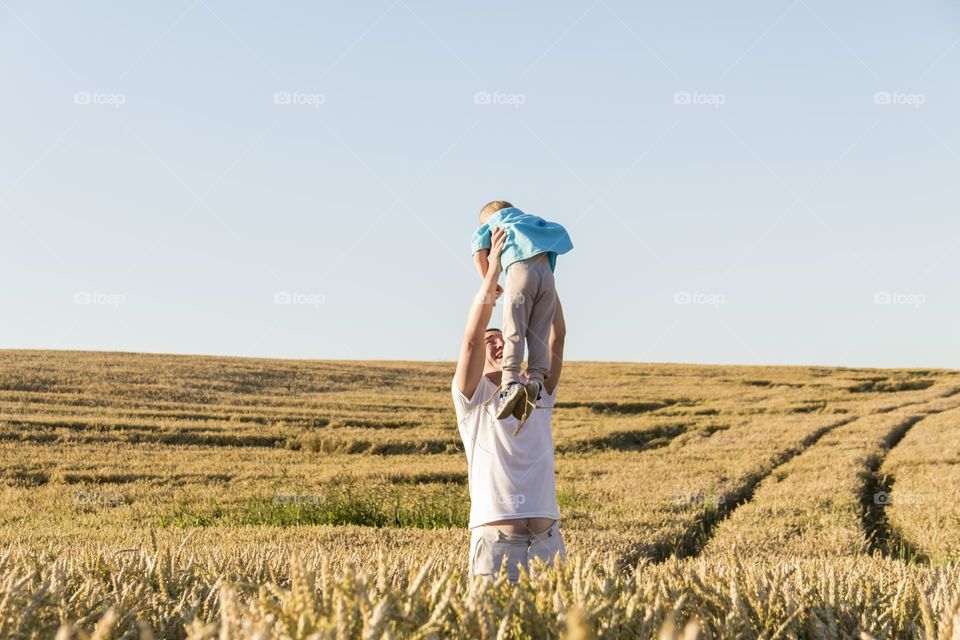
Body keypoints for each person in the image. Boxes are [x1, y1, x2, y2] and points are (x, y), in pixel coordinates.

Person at [453, 226, 567, 582]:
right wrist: (494, 273)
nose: (500, 343)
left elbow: (557, 335)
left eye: (504, 336)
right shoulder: (472, 399)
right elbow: (472, 340)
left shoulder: (537, 390)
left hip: (547, 543)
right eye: (493, 339)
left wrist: (539, 268)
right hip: (497, 543)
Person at [471, 201, 573, 430]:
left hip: (519, 271)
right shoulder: (530, 220)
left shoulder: (494, 223)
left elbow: (479, 254)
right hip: (547, 278)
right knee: (540, 331)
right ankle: (536, 379)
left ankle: (510, 382)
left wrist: (490, 279)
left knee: (514, 328)